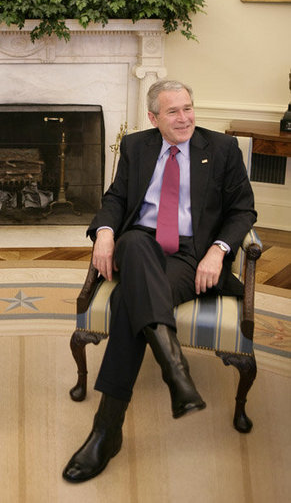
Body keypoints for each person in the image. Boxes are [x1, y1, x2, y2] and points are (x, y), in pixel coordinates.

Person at [62, 79, 256, 483]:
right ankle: (176, 374)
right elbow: (116, 199)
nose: (184, 118)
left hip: (190, 253)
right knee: (132, 240)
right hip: (141, 244)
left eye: (188, 107)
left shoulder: (221, 149)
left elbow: (243, 211)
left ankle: (105, 430)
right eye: (173, 111)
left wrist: (218, 250)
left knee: (128, 306)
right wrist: (103, 232)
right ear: (153, 118)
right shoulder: (137, 146)